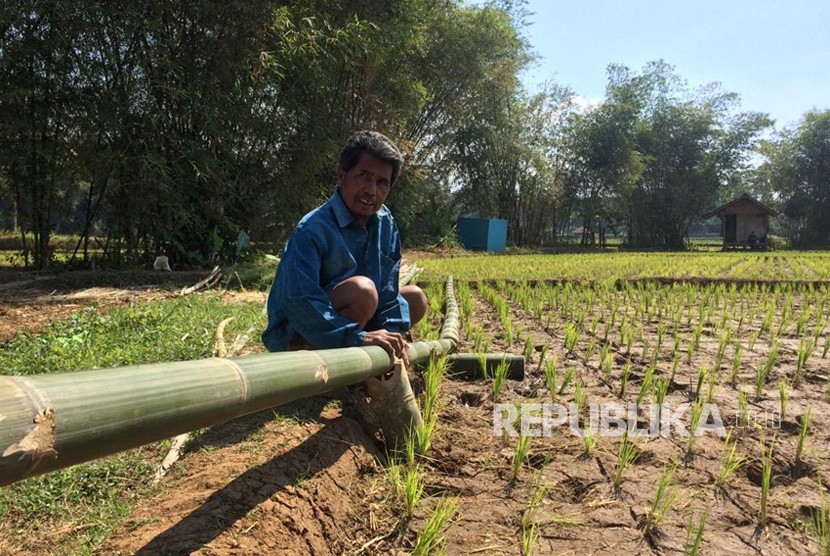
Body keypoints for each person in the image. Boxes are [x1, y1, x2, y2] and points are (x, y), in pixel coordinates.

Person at [262, 131, 428, 364]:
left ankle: (366, 360)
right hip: (300, 328)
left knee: (415, 299)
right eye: (363, 176)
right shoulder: (312, 229)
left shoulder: (385, 222)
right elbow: (301, 302)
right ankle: (330, 368)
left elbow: (389, 293)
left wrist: (394, 336)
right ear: (341, 175)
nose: (372, 191)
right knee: (363, 292)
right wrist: (356, 337)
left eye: (382, 183)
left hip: (355, 317)